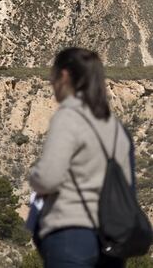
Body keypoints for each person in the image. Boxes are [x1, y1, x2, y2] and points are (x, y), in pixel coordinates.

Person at [29, 47, 133, 268]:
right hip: (111, 241)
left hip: (71, 235)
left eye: (52, 77)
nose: (51, 83)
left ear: (64, 76)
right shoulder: (115, 127)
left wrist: (34, 178)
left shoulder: (69, 116)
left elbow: (49, 178)